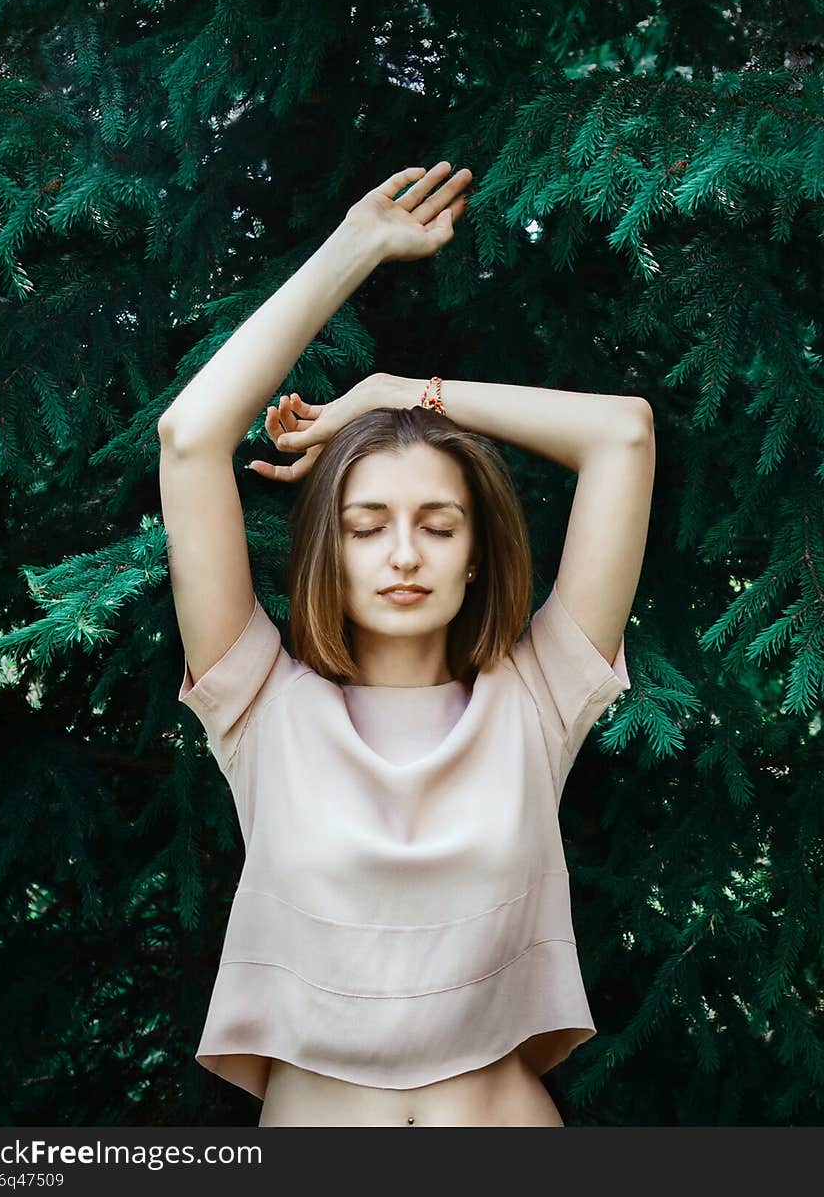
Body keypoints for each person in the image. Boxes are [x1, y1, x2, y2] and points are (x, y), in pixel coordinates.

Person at [158, 162, 655, 1127]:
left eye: (437, 524)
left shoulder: (538, 694)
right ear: (327, 554)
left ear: (476, 556)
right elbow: (189, 439)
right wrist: (357, 246)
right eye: (365, 524)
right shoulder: (258, 701)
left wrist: (405, 393)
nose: (402, 554)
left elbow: (623, 437)